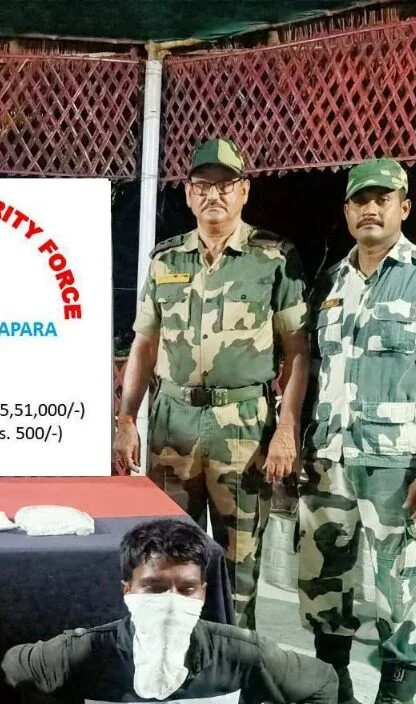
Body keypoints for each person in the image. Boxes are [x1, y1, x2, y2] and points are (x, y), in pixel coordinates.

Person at [298, 158, 416, 704]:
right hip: (330, 458)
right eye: (360, 200)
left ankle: (397, 701)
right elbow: (316, 371)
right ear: (347, 210)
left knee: (402, 583)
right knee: (325, 580)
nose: (370, 209)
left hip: (396, 464)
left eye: (383, 198)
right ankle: (332, 683)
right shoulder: (333, 282)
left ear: (404, 206)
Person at [113, 138, 310, 630]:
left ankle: (231, 658)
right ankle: (167, 653)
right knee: (164, 553)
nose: (213, 195)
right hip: (172, 423)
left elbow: (297, 351)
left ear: (244, 191)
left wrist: (287, 429)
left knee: (237, 562)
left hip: (241, 426)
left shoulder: (274, 257)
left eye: (225, 185)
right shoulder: (167, 260)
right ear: (188, 194)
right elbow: (144, 344)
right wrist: (126, 418)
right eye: (203, 186)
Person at [0, 518, 336, 704]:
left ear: (203, 592)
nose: (170, 603)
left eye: (186, 589)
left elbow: (322, 683)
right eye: (154, 588)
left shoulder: (239, 653)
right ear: (127, 590)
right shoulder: (83, 653)